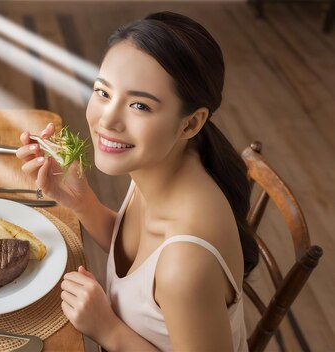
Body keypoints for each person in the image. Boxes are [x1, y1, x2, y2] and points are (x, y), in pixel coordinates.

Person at [16, 11, 258, 351]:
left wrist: (107, 329)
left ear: (191, 124)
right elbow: (139, 257)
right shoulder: (163, 164)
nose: (108, 119)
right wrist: (81, 201)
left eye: (140, 106)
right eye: (103, 92)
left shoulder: (186, 265)